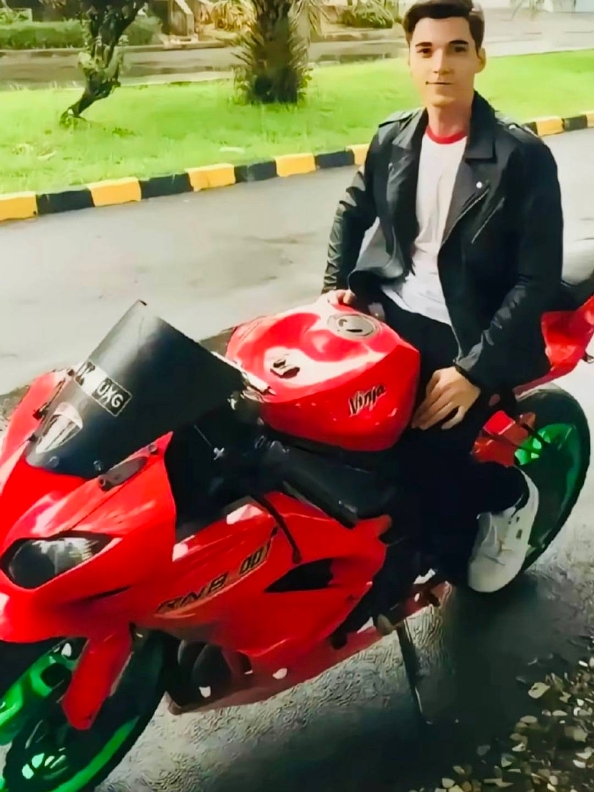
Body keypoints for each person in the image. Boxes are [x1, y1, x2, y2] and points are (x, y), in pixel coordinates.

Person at [321, 0, 564, 594]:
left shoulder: (521, 158)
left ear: (479, 58)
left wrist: (474, 371)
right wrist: (332, 292)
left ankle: (509, 494)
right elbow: (351, 212)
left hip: (467, 330)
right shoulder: (393, 139)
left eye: (457, 49)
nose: (440, 65)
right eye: (425, 50)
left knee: (423, 477)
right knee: (320, 441)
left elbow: (535, 280)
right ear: (409, 59)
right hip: (388, 314)